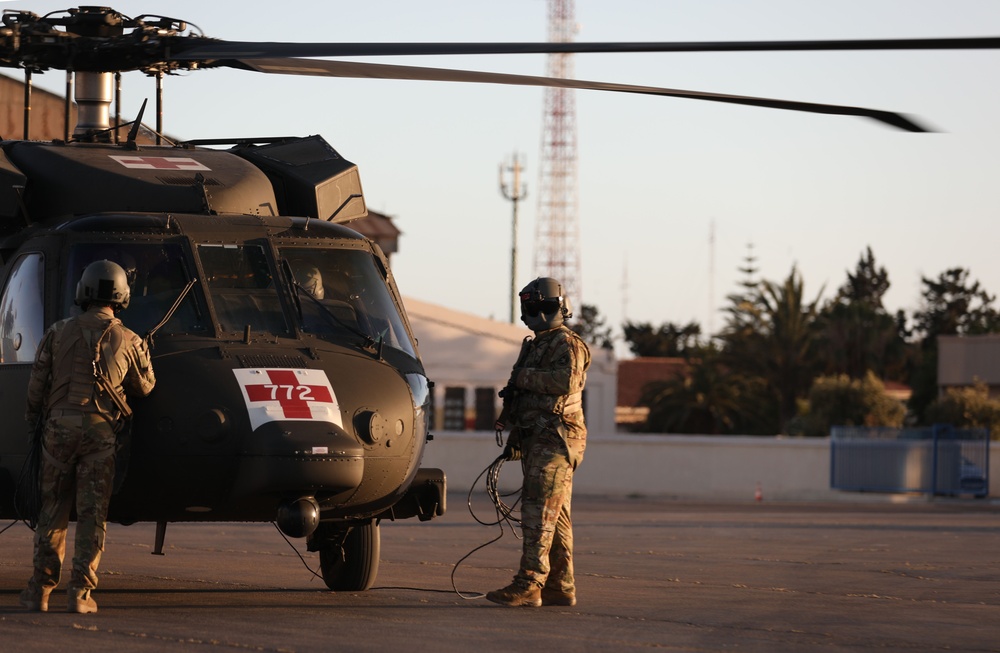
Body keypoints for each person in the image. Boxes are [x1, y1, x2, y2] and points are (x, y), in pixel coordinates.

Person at [19, 260, 156, 614]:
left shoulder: (57, 331)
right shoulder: (130, 339)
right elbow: (144, 388)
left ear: (83, 292)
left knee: (52, 511)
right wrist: (143, 354)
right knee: (93, 515)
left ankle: (39, 591)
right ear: (122, 296)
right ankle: (80, 594)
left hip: (58, 431)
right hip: (100, 434)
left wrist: (35, 420)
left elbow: (36, 387)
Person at [487, 277, 591, 608]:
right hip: (537, 436)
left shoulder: (567, 344)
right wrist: (515, 431)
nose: (531, 314)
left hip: (557, 438)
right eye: (528, 307)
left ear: (554, 307)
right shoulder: (535, 345)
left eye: (536, 306)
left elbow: (565, 382)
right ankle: (560, 585)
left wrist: (523, 378)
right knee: (554, 515)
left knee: (537, 509)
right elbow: (523, 394)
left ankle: (530, 582)